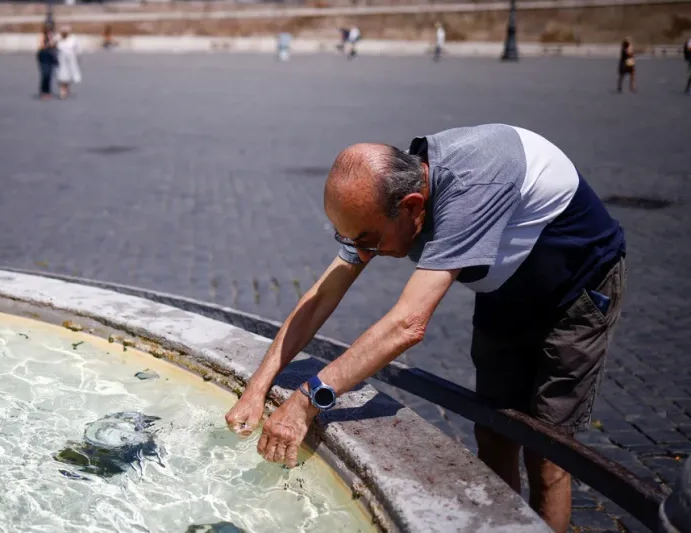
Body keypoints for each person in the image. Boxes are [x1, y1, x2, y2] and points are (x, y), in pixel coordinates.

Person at [225, 124, 627, 533]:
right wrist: (257, 389)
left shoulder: (470, 189)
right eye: (348, 238)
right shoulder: (387, 195)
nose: (361, 253)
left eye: (368, 240)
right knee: (494, 433)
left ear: (414, 207)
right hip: (505, 289)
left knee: (548, 455)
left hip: (575, 292)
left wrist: (307, 400)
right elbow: (319, 300)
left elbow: (408, 324)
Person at [56, 26, 82, 100]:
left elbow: (78, 50)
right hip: (61, 60)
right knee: (61, 76)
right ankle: (62, 90)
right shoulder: (58, 38)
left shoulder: (73, 39)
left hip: (71, 60)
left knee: (69, 76)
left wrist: (77, 58)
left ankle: (66, 88)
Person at [36, 27, 58, 100]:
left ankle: (48, 91)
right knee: (44, 74)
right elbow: (41, 46)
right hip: (43, 56)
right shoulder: (42, 37)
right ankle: (43, 91)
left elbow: (54, 46)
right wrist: (47, 42)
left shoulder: (53, 37)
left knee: (49, 75)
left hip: (50, 57)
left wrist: (52, 40)